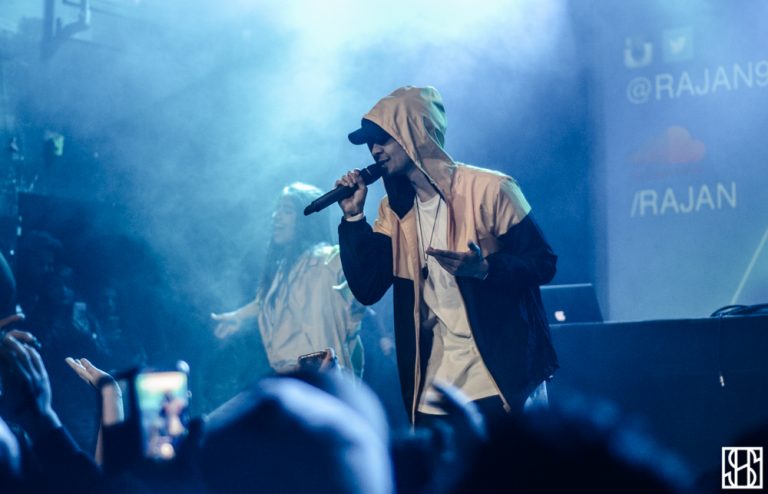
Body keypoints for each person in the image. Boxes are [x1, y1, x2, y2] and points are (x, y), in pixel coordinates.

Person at [335, 86, 558, 426]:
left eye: (383, 139)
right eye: (370, 143)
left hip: (499, 378)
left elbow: (543, 263)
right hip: (435, 387)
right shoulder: (394, 211)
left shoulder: (491, 189)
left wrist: (485, 268)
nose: (375, 150)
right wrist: (353, 219)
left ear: (415, 133)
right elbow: (368, 288)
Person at [212, 182, 366, 377]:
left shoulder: (329, 259)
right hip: (292, 378)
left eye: (287, 210)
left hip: (324, 380)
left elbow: (361, 277)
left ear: (307, 220)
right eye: (277, 210)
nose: (276, 216)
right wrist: (239, 316)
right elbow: (264, 302)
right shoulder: (283, 269)